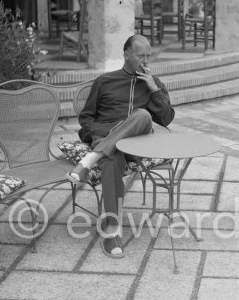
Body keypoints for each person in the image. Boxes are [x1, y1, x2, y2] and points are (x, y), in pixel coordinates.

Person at [66, 34, 175, 256]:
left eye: (148, 56)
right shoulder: (105, 81)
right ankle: (111, 232)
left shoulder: (153, 83)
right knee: (111, 161)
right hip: (106, 137)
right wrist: (99, 135)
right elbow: (86, 118)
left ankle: (88, 161)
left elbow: (166, 119)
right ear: (126, 54)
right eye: (140, 56)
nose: (145, 61)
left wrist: (154, 89)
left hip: (136, 144)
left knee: (143, 115)